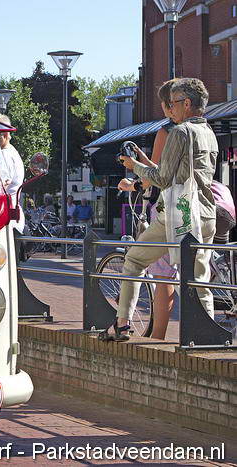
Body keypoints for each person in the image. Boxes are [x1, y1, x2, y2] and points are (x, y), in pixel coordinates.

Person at [109, 78, 218, 342]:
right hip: (206, 213)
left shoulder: (180, 132)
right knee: (199, 281)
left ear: (187, 103)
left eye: (174, 103)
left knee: (134, 261)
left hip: (180, 214)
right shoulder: (209, 132)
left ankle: (122, 325)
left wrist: (134, 165)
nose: (171, 108)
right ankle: (208, 337)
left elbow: (163, 178)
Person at [118, 78, 179, 339]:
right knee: (196, 277)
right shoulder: (202, 129)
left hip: (171, 209)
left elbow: (154, 178)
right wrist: (143, 160)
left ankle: (155, 338)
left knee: (160, 274)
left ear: (167, 105)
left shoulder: (167, 132)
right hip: (204, 208)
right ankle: (204, 338)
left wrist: (131, 182)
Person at [0, 113, 25, 232]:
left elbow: (1, 186)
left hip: (5, 220)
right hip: (9, 217)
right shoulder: (11, 151)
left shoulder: (4, 155)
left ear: (4, 134)